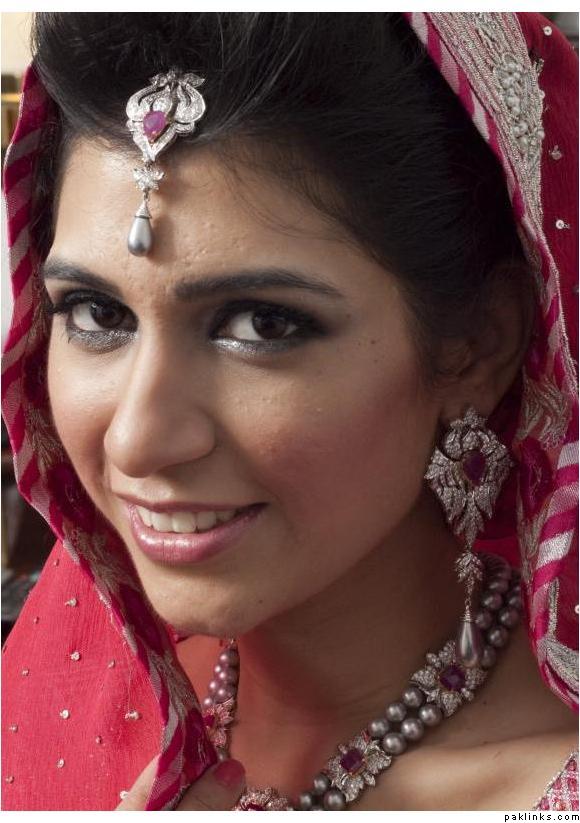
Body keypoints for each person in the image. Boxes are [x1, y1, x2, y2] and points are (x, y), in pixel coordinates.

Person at [1, 12, 577, 812]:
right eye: (97, 313)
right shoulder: (74, 689)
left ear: (477, 347)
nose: (137, 438)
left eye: (262, 324)